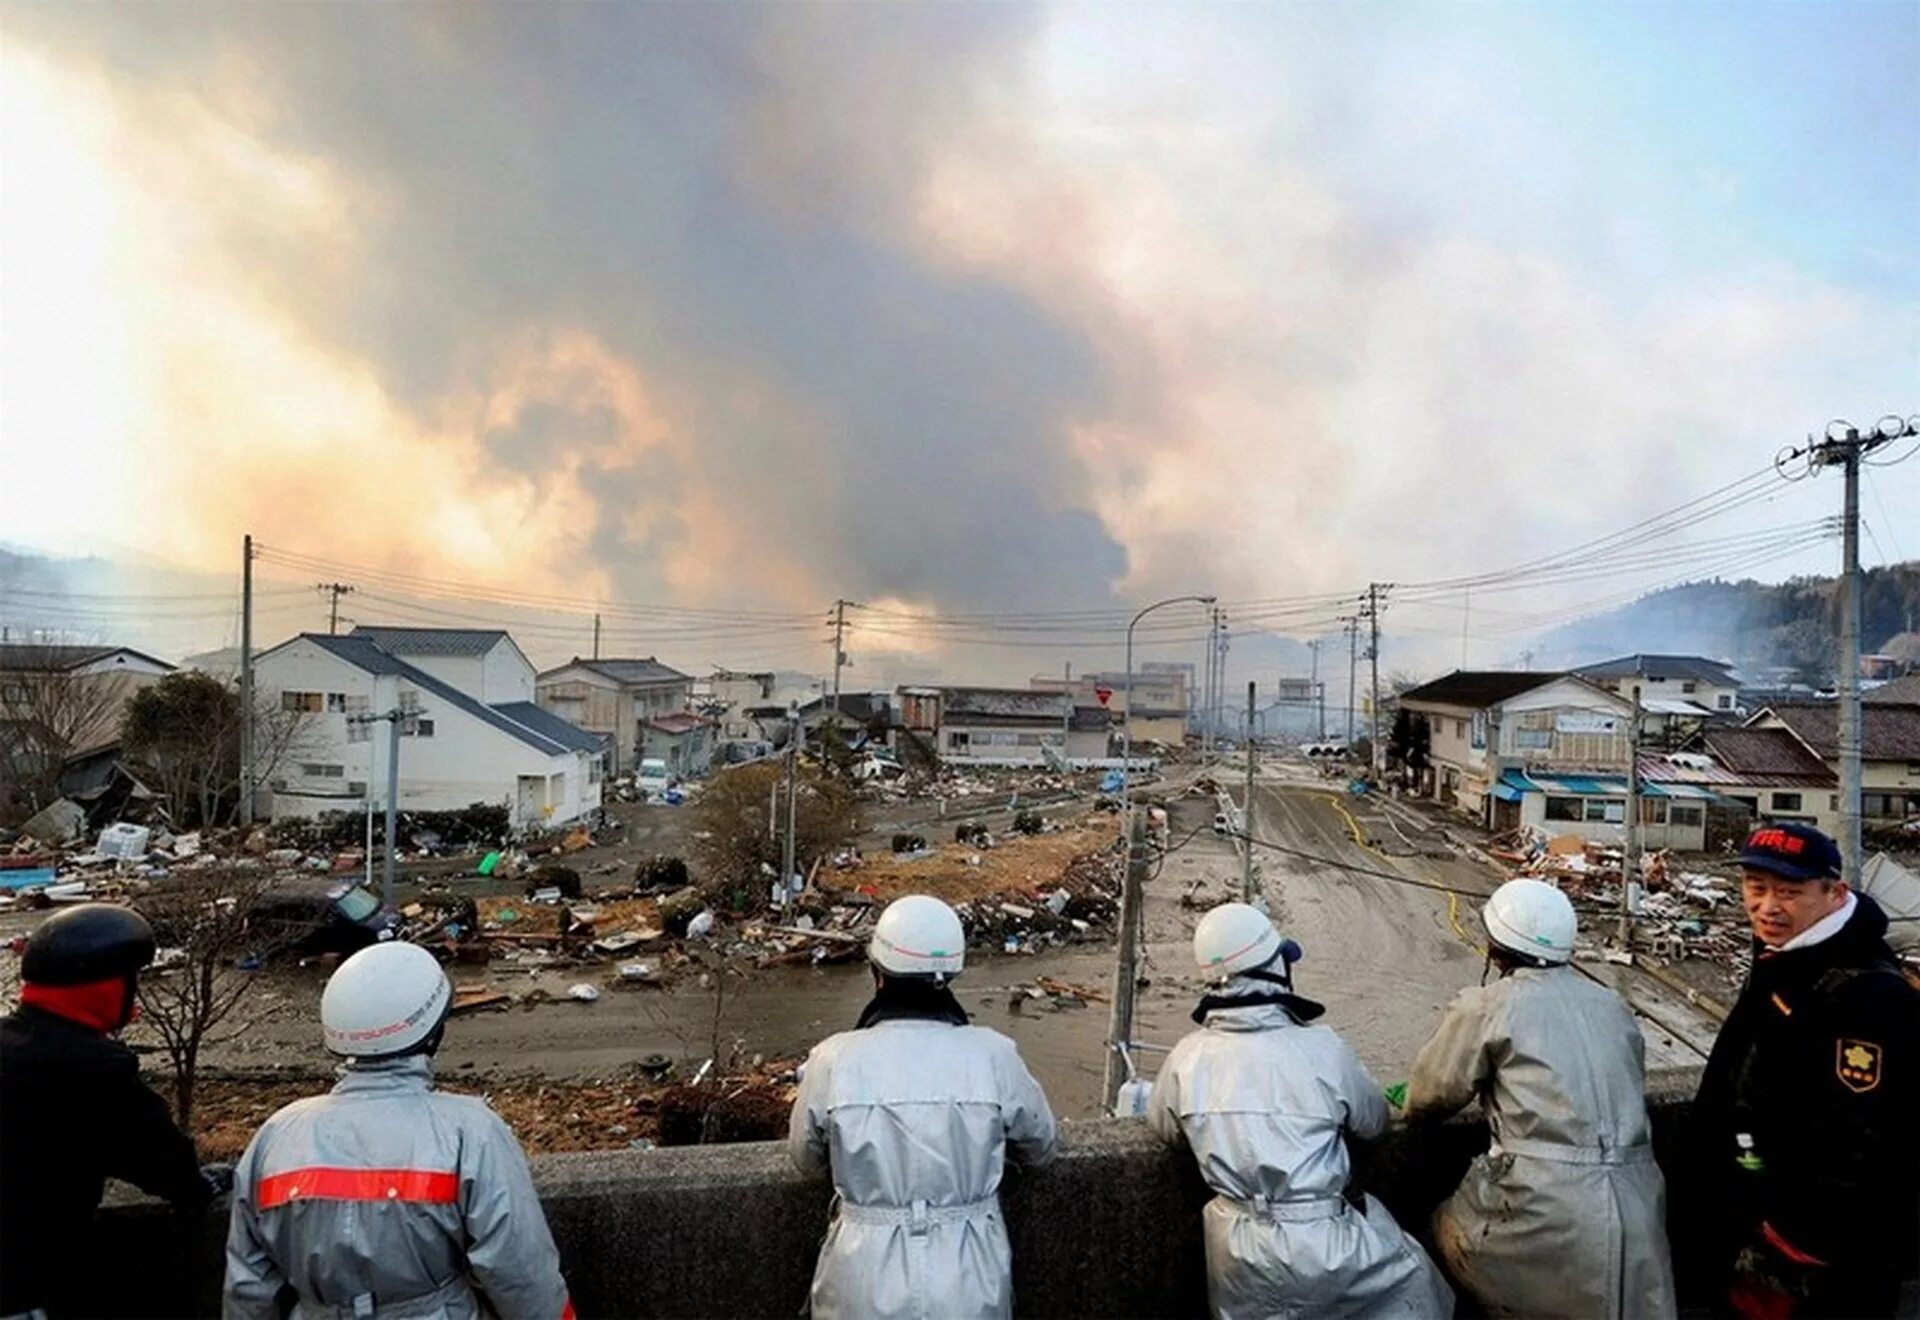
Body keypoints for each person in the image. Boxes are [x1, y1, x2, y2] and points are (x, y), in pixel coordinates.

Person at [224, 940, 573, 1319]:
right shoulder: (470, 1131)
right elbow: (520, 1271)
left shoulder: (277, 1134)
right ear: (433, 1034)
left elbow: (248, 1288)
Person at [1148, 902, 1452, 1320]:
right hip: (1325, 1239)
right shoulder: (1323, 1049)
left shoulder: (1185, 1058)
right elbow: (1375, 1124)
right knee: (1419, 1288)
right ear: (1274, 968)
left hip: (1234, 1251)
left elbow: (1164, 1128)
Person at [1404, 878, 1676, 1320]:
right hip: (1638, 1199)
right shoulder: (1612, 1005)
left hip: (1541, 1200)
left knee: (1443, 1231)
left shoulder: (1490, 1005)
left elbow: (1430, 1097)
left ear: (1495, 948)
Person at [789, 894, 1056, 1320]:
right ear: (949, 975)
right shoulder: (994, 1055)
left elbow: (806, 1159)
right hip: (971, 1274)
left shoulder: (832, 1059)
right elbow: (1042, 1146)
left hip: (861, 1272)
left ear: (878, 974)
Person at [1690, 822, 1919, 1318]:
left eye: (1789, 893)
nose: (1768, 907)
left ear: (1835, 894)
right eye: (1756, 888)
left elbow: (1859, 1144)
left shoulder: (1865, 993)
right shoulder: (1790, 955)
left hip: (1816, 1259)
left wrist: (1789, 1243)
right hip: (1759, 1229)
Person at [1, 903, 221, 1317]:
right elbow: (161, 1160)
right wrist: (200, 1187)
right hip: (24, 1287)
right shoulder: (93, 1069)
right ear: (104, 989)